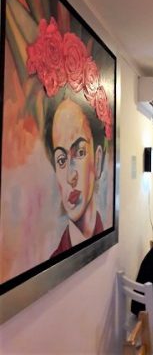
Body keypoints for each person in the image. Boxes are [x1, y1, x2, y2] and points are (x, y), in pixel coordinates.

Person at [26, 17, 113, 257]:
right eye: (62, 160)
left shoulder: (105, 234)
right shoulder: (57, 257)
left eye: (80, 152)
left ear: (98, 158)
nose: (71, 177)